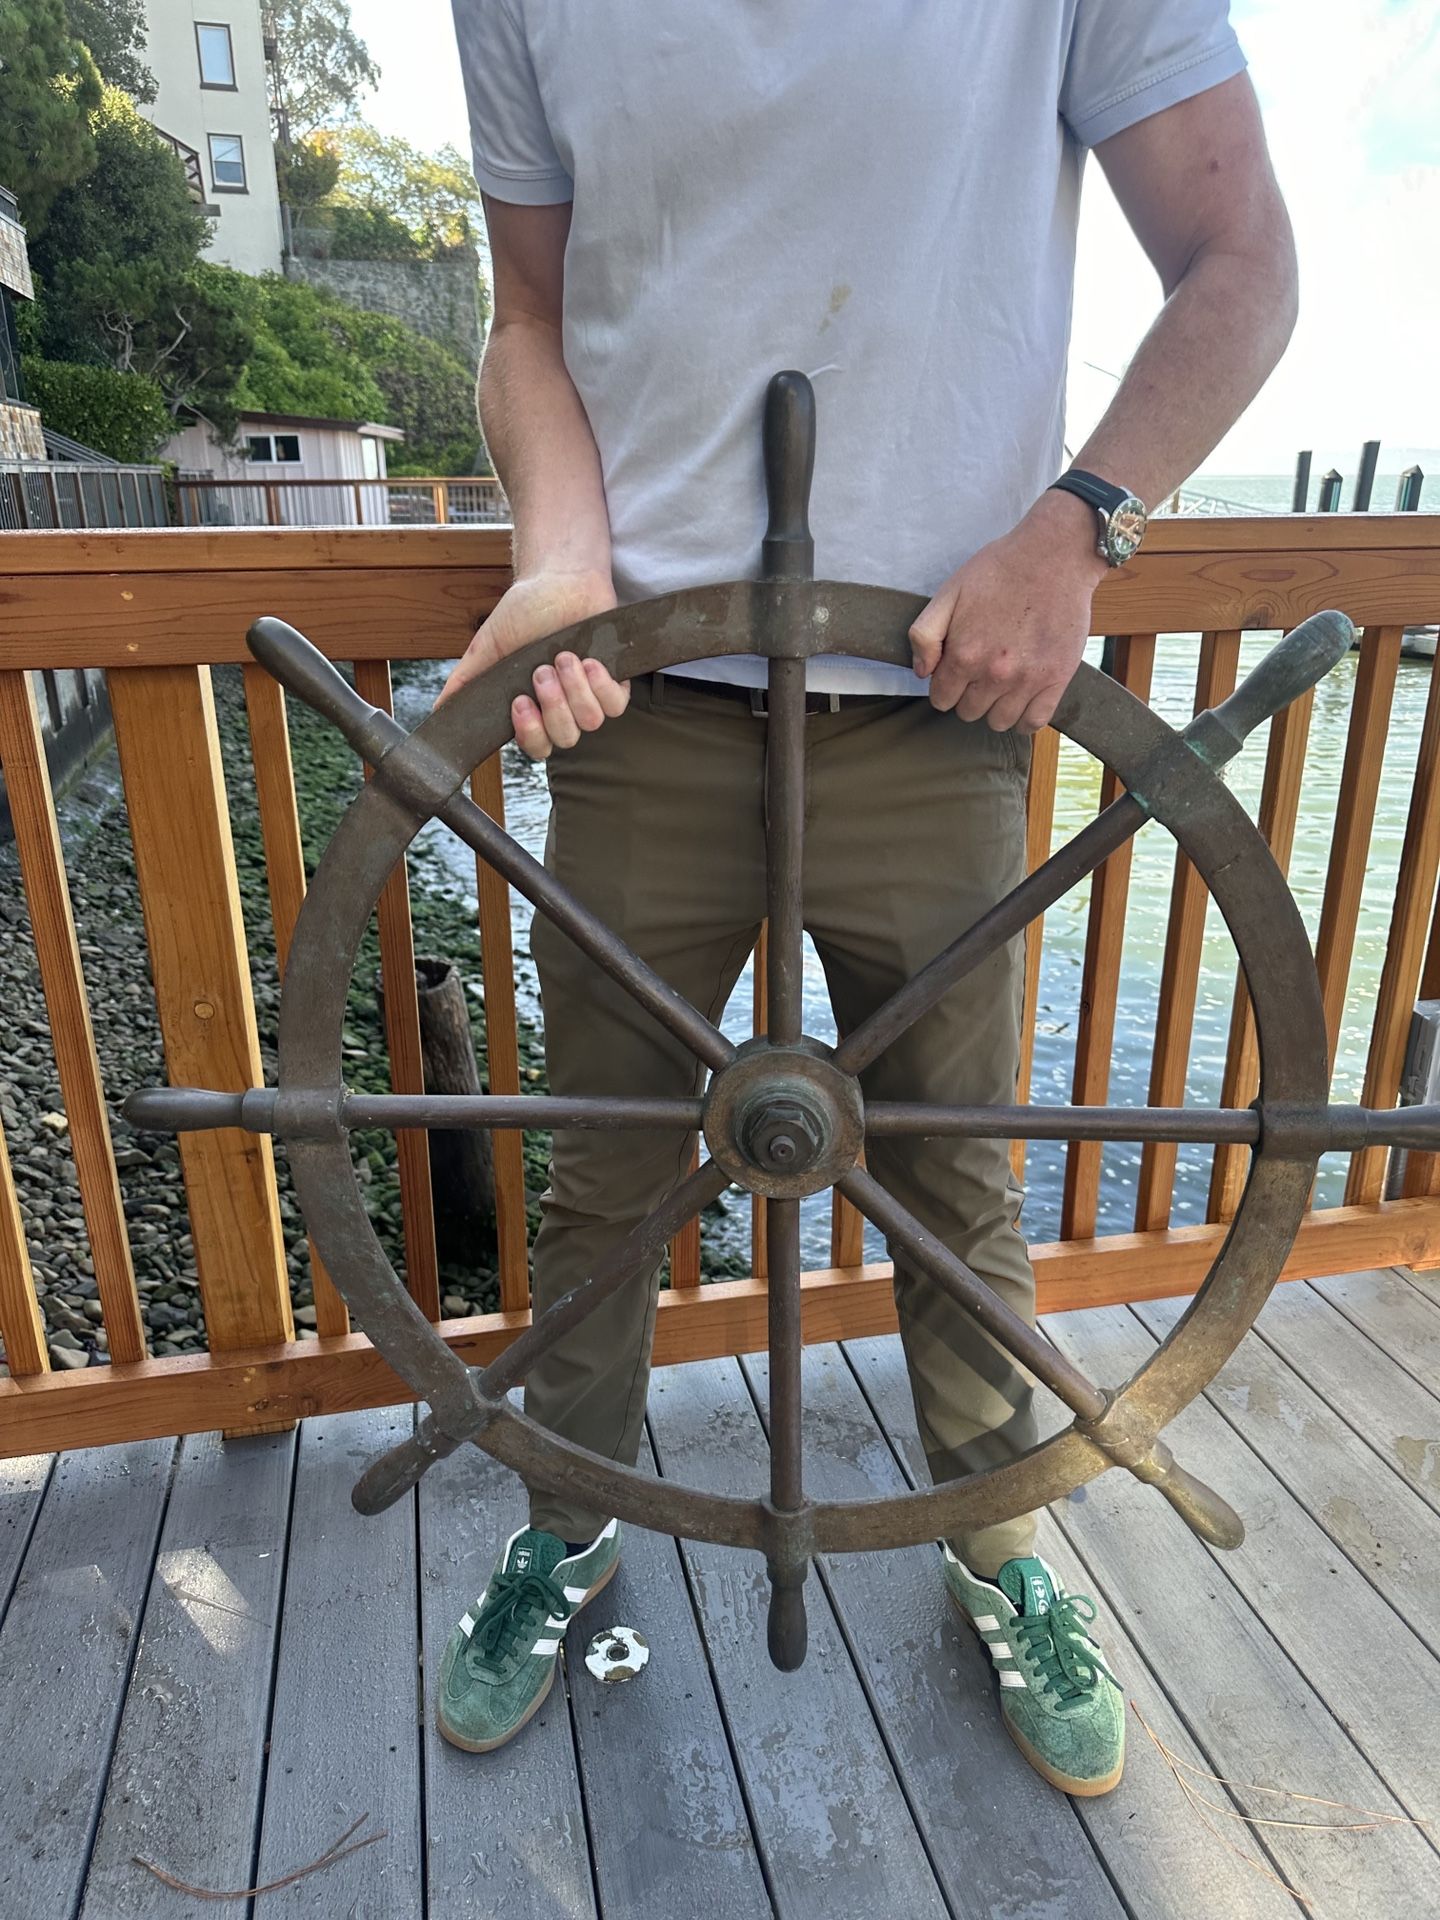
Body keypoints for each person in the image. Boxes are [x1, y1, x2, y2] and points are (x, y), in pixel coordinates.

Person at [434, 2, 1297, 1795]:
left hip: (944, 694)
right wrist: (565, 559)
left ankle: (998, 1535)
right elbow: (530, 319)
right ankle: (573, 1527)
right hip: (635, 695)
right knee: (601, 1175)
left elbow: (1241, 256)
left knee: (948, 1166)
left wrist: (1077, 531)